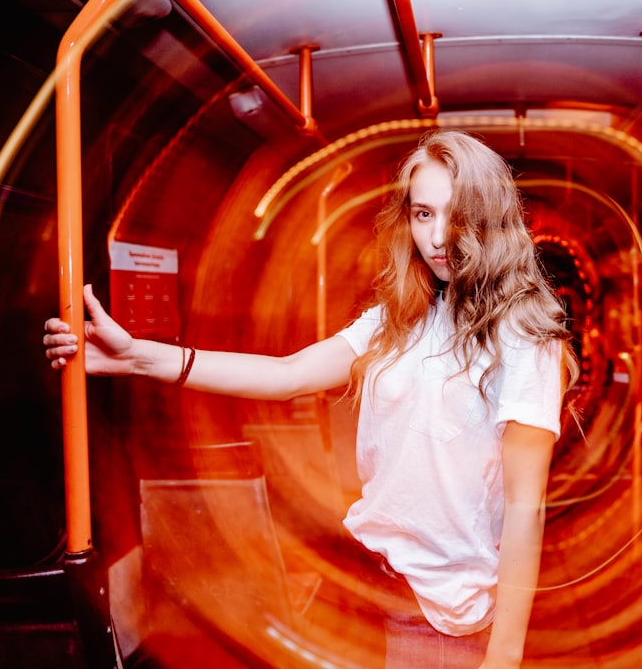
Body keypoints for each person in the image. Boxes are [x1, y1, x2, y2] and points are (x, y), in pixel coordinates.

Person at [43, 129, 579, 669]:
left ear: (490, 215)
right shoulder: (406, 316)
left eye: (455, 214)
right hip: (366, 582)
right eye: (422, 214)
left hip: (440, 616)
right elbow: (288, 373)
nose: (437, 236)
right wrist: (136, 356)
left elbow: (524, 509)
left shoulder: (524, 337)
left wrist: (505, 657)